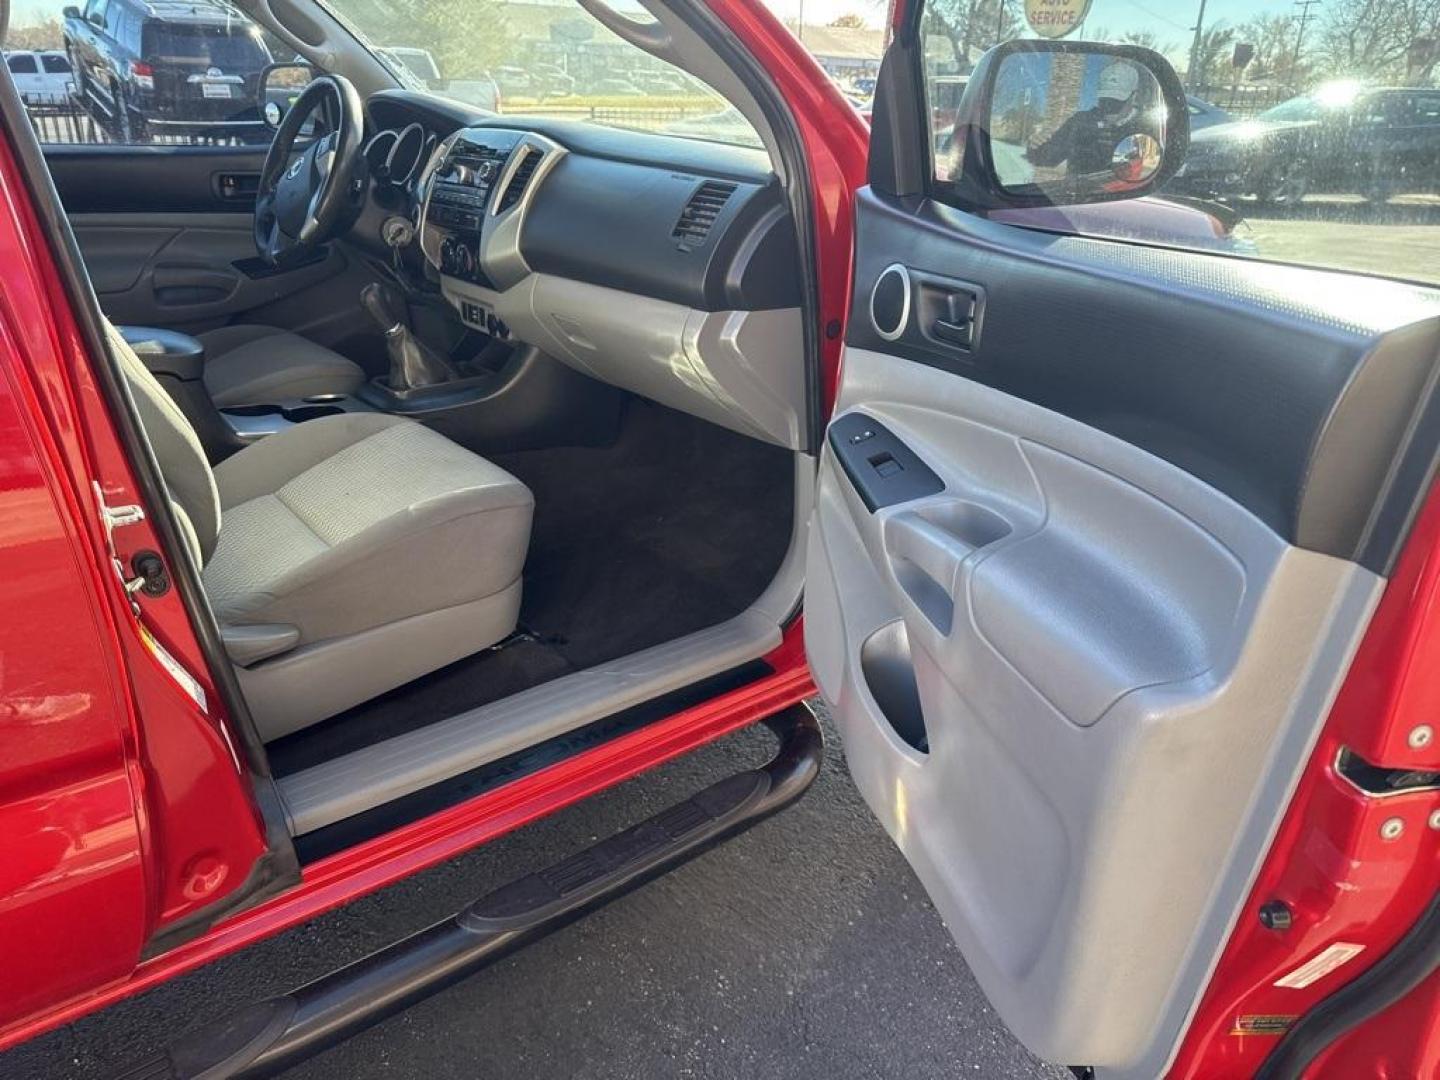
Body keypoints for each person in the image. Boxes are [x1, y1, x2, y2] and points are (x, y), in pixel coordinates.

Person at [1026, 61, 1147, 176]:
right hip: (1078, 193)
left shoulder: (1144, 127)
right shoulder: (1081, 122)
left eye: (1116, 102)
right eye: (1105, 100)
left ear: (1133, 96)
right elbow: (1045, 158)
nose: (1108, 108)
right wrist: (1035, 145)